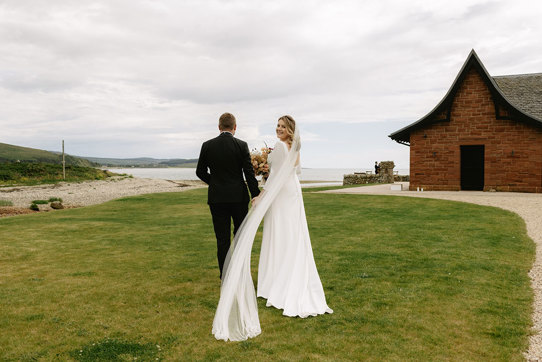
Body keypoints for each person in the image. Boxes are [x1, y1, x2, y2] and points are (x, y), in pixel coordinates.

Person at [212, 115, 332, 342]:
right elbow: (293, 172)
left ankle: (275, 282)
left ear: (290, 130)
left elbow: (275, 175)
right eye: (277, 126)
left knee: (277, 235)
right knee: (291, 235)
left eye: (282, 127)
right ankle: (284, 276)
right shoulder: (294, 147)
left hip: (281, 195)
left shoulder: (279, 146)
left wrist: (260, 195)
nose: (278, 129)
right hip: (293, 194)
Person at [196, 112, 260, 279]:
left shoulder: (207, 145)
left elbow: (200, 172)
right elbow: (249, 173)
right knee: (240, 236)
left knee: (222, 239)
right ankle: (240, 274)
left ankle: (225, 276)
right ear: (235, 128)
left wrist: (215, 183)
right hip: (238, 198)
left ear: (219, 127)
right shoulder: (241, 145)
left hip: (217, 199)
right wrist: (256, 194)